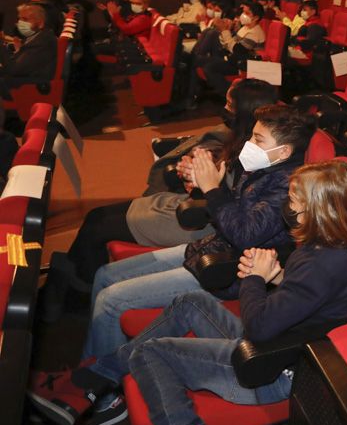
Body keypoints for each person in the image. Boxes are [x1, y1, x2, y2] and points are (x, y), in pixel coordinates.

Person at [29, 160, 347, 425]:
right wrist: (277, 279)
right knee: (190, 303)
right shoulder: (324, 246)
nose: (289, 206)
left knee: (153, 353)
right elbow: (308, 301)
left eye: (296, 200)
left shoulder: (324, 262)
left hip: (271, 367)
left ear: (321, 207)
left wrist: (254, 278)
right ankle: (90, 380)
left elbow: (261, 327)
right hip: (273, 342)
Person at [54, 79, 279, 292]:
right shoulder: (240, 137)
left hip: (201, 221)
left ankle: (78, 290)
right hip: (195, 205)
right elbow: (218, 172)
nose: (224, 108)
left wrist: (204, 183)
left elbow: (232, 204)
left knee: (97, 227)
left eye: (230, 104)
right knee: (96, 216)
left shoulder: (257, 155)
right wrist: (193, 173)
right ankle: (75, 279)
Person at [197, 2, 266, 95]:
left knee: (209, 67)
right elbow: (227, 45)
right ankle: (196, 94)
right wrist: (225, 30)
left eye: (247, 13)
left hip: (243, 65)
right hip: (233, 59)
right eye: (243, 12)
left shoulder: (255, 33)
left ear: (256, 17)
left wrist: (225, 30)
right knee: (198, 60)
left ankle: (230, 94)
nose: (243, 15)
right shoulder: (245, 28)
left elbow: (237, 50)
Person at [0, 3, 57, 82]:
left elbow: (13, 70)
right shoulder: (37, 36)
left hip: (27, 86)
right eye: (19, 19)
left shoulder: (43, 41)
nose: (20, 23)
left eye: (25, 19)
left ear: (41, 24)